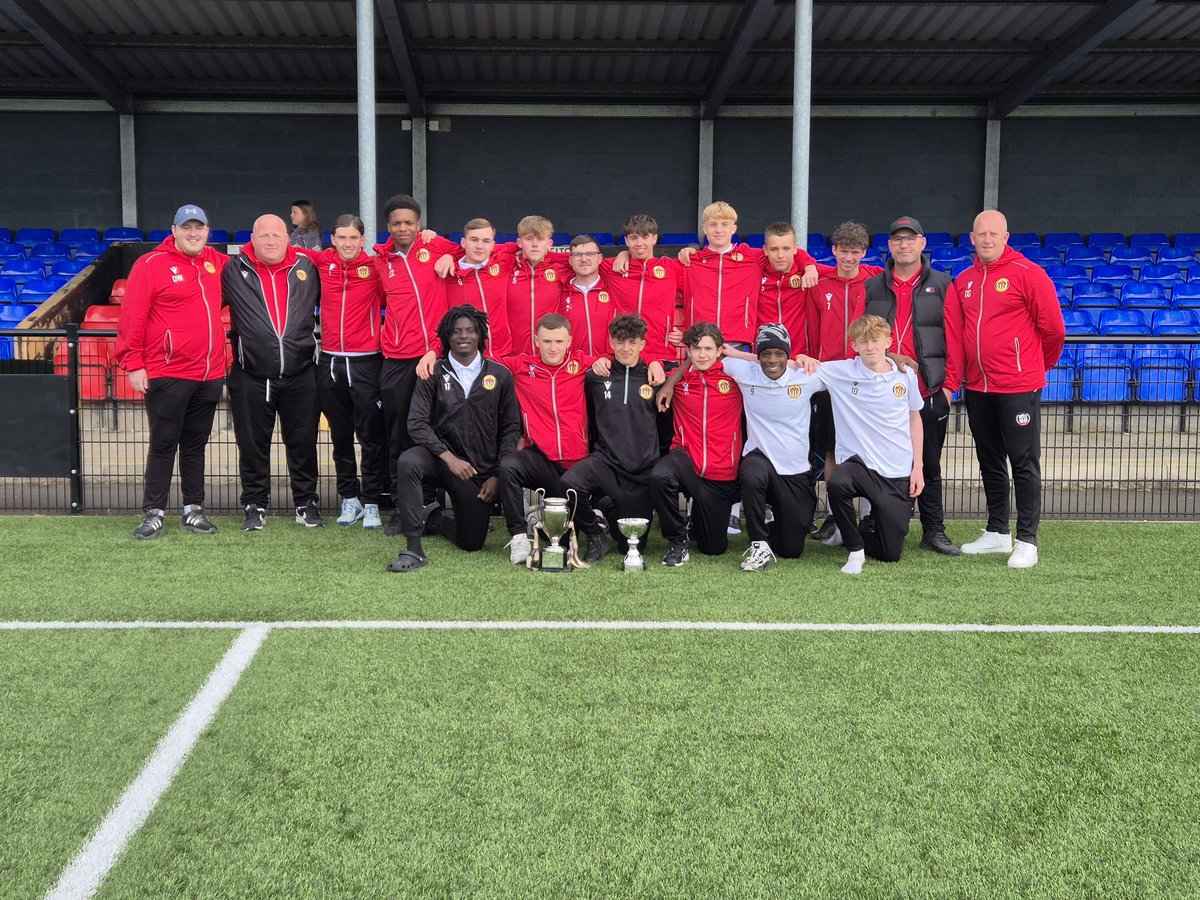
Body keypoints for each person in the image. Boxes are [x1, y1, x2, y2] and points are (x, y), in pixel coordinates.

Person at [949, 209, 1065, 569]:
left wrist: (1033, 366)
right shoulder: (964, 280)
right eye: (981, 234)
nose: (987, 239)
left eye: (993, 234)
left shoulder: (1028, 274)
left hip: (1018, 385)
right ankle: (998, 531)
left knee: (1023, 462)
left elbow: (1054, 329)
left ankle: (1027, 540)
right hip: (978, 386)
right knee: (989, 459)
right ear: (972, 238)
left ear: (1005, 237)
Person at [116, 203, 227, 540]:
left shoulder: (216, 262)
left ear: (208, 232)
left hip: (209, 373)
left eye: (199, 227)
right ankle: (154, 512)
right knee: (164, 443)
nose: (193, 234)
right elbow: (133, 316)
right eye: (186, 227)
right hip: (167, 371)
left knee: (195, 444)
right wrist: (133, 363)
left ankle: (193, 510)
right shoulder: (151, 264)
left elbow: (255, 258)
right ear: (174, 231)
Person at [389, 306, 522, 572]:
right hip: (440, 460)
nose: (463, 336)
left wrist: (497, 475)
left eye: (470, 331)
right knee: (408, 461)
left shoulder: (500, 374)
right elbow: (416, 424)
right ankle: (413, 548)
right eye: (457, 331)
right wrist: (448, 458)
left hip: (475, 471)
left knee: (472, 542)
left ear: (480, 335)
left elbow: (511, 428)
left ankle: (433, 519)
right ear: (446, 336)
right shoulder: (433, 372)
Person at [863, 216, 962, 556]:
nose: (903, 245)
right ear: (889, 245)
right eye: (897, 239)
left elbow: (955, 338)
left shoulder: (943, 284)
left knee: (929, 464)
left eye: (910, 239)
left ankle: (934, 530)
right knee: (881, 462)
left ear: (922, 243)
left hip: (929, 389)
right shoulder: (873, 287)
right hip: (883, 391)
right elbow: (861, 335)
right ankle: (880, 523)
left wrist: (949, 387)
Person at [223, 213, 323, 530]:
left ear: (286, 238)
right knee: (252, 445)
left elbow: (346, 266)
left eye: (276, 235)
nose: (270, 241)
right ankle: (255, 504)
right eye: (263, 235)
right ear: (252, 239)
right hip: (251, 374)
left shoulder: (308, 265)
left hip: (301, 372)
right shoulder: (232, 269)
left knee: (303, 443)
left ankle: (306, 503)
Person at [372, 194, 460, 535]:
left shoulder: (436, 248)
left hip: (436, 357)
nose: (403, 228)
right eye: (396, 223)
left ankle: (435, 504)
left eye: (409, 222)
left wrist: (446, 250)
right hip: (397, 358)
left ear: (419, 224)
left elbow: (473, 250)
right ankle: (402, 507)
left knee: (437, 431)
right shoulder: (381, 261)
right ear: (388, 226)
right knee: (399, 434)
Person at [815, 314, 924, 575]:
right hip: (858, 466)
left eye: (875, 340)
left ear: (888, 342)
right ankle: (855, 550)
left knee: (890, 554)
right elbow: (791, 367)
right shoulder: (841, 371)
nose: (870, 347)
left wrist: (917, 467)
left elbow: (914, 418)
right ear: (854, 346)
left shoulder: (905, 375)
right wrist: (802, 358)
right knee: (838, 482)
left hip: (895, 470)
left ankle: (866, 530)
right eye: (863, 342)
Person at [493, 313, 602, 564]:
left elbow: (618, 359)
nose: (553, 348)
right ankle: (519, 537)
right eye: (547, 341)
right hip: (541, 459)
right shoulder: (521, 366)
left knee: (562, 537)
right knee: (509, 466)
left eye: (559, 341)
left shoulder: (582, 363)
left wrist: (653, 363)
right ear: (536, 340)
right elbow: (483, 362)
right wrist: (434, 354)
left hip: (577, 464)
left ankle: (595, 531)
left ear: (569, 341)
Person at [301, 214, 386, 529]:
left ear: (362, 240)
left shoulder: (376, 267)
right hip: (330, 361)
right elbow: (285, 250)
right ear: (332, 239)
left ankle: (373, 502)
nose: (347, 244)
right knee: (340, 436)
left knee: (371, 437)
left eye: (353, 238)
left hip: (366, 362)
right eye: (342, 238)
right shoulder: (323, 262)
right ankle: (350, 498)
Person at [560, 314, 665, 563]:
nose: (626, 348)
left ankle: (607, 507)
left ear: (642, 344)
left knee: (629, 545)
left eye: (632, 342)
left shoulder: (656, 379)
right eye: (620, 341)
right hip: (605, 462)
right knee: (568, 484)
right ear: (611, 342)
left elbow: (665, 425)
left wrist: (656, 361)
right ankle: (595, 532)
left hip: (641, 471)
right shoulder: (596, 376)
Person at [719, 323, 824, 572]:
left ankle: (775, 523)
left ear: (788, 355)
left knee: (791, 549)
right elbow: (707, 357)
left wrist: (894, 359)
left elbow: (854, 370)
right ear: (758, 356)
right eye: (765, 354)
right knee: (751, 474)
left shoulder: (807, 375)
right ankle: (759, 543)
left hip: (794, 469)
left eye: (779, 353)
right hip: (760, 457)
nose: (772, 360)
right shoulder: (745, 371)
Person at [807, 220, 884, 542]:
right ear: (834, 250)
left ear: (864, 252)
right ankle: (834, 515)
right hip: (830, 378)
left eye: (855, 252)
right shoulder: (819, 283)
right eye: (843, 251)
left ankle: (868, 515)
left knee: (867, 447)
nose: (849, 258)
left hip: (865, 377)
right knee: (831, 449)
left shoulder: (876, 282)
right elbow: (812, 329)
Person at [651, 321, 743, 566]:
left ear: (719, 350)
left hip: (720, 472)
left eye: (708, 348)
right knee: (660, 476)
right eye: (696, 348)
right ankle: (677, 539)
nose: (702, 354)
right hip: (686, 459)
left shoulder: (736, 377)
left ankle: (697, 522)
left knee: (713, 548)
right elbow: (649, 365)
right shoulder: (678, 379)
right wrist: (669, 382)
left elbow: (765, 363)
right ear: (689, 351)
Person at [600, 214, 684, 364]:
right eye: (633, 238)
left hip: (661, 353)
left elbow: (703, 292)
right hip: (623, 354)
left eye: (645, 237)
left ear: (654, 238)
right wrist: (623, 254)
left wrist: (686, 331)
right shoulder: (614, 267)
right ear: (626, 241)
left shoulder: (670, 268)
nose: (639, 243)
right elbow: (574, 259)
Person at [437, 218, 515, 356]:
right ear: (463, 242)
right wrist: (448, 255)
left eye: (486, 241)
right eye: (474, 240)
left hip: (502, 353)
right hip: (464, 357)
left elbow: (530, 248)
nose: (480, 246)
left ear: (493, 245)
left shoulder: (503, 263)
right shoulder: (448, 273)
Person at [504, 215, 572, 356]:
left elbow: (584, 258)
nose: (535, 244)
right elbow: (485, 249)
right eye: (529, 239)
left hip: (550, 355)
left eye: (540, 239)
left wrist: (621, 254)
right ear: (519, 242)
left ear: (549, 243)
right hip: (515, 356)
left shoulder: (560, 269)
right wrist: (513, 249)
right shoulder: (508, 267)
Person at [560, 234, 614, 356]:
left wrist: (608, 356)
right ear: (570, 260)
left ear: (600, 258)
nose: (584, 259)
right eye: (578, 255)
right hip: (573, 365)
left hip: (607, 363)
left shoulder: (613, 289)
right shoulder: (560, 292)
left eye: (590, 254)